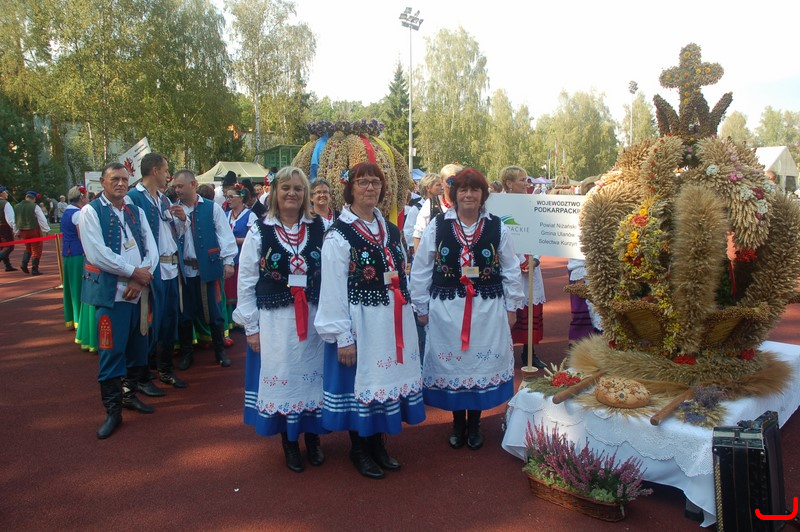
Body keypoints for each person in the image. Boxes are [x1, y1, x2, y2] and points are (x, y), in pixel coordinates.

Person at [315, 162, 425, 480]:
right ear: (350, 189)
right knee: (362, 384)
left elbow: (401, 271)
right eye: (362, 182)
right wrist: (342, 336)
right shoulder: (339, 234)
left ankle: (378, 444)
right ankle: (359, 449)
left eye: (375, 182)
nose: (370, 187)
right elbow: (332, 288)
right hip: (361, 321)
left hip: (391, 319)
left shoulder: (390, 230)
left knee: (384, 381)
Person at [410, 168, 524, 450]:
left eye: (475, 189)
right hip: (447, 309)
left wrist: (512, 306)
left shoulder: (498, 227)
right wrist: (420, 305)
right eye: (463, 189)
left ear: (483, 194)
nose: (469, 195)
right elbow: (422, 267)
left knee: (479, 363)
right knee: (454, 363)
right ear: (455, 194)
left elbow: (511, 268)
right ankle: (457, 422)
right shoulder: (438, 226)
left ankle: (474, 423)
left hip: (487, 308)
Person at [234, 166, 327, 473]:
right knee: (285, 378)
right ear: (275, 192)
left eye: (298, 189)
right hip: (275, 322)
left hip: (313, 319)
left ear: (305, 195)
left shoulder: (320, 226)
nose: (292, 193)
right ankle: (289, 442)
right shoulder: (259, 230)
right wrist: (251, 327)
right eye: (286, 188)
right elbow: (246, 280)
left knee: (313, 376)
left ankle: (313, 438)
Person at [79, 162, 159, 439]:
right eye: (115, 178)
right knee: (111, 352)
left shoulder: (135, 211)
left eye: (125, 179)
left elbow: (152, 249)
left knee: (138, 348)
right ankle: (112, 411)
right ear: (102, 181)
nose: (121, 183)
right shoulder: (90, 212)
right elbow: (97, 254)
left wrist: (140, 278)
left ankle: (129, 395)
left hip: (138, 291)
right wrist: (133, 272)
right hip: (112, 295)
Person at [127, 152, 188, 395]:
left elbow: (173, 233)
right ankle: (141, 376)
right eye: (165, 170)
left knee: (168, 321)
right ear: (154, 171)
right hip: (153, 270)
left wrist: (182, 221)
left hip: (172, 267)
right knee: (147, 324)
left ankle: (164, 369)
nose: (167, 175)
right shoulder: (133, 198)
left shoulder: (162, 199)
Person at [172, 169, 237, 370]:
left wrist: (228, 261)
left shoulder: (211, 208)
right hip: (184, 271)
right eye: (175, 187)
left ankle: (220, 351)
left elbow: (225, 235)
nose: (177, 190)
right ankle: (187, 354)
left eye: (180, 186)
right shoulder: (173, 210)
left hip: (208, 268)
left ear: (193, 185)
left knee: (214, 313)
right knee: (185, 315)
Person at [501, 166, 547, 369]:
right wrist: (518, 260)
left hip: (531, 266)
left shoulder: (533, 204)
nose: (526, 183)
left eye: (527, 179)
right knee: (508, 311)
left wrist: (535, 259)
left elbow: (540, 233)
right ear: (509, 183)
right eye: (522, 180)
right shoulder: (498, 205)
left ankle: (530, 353)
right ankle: (504, 354)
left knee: (530, 309)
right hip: (508, 267)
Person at [224, 183, 257, 326]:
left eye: (231, 197)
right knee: (227, 290)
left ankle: (242, 321)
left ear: (241, 198)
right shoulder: (225, 214)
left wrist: (234, 240)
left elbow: (253, 239)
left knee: (241, 289)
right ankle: (229, 321)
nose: (228, 200)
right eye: (227, 197)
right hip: (228, 259)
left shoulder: (250, 215)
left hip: (242, 258)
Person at [413, 164, 462, 251]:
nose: (455, 185)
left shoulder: (468, 204)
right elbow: (418, 235)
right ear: (442, 182)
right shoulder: (430, 204)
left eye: (459, 181)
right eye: (451, 181)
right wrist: (419, 257)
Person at [61, 185, 88, 331]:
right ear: (82, 198)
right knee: (78, 287)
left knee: (70, 287)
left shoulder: (67, 211)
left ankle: (72, 318)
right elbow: (81, 235)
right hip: (78, 254)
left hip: (68, 253)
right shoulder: (78, 213)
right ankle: (79, 320)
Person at [14, 190, 50, 275]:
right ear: (34, 199)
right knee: (36, 249)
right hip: (33, 230)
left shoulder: (16, 206)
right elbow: (41, 218)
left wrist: (16, 231)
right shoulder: (34, 206)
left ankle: (24, 263)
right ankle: (34, 269)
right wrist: (46, 229)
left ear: (26, 197)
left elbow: (15, 220)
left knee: (28, 248)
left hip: (22, 231)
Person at [404, 173, 441, 255]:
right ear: (428, 188)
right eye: (438, 185)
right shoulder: (416, 209)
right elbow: (409, 234)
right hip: (423, 253)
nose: (441, 188)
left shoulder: (442, 207)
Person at [0, 186, 18, 271]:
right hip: (4, 227)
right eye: (5, 192)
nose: (7, 194)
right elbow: (10, 219)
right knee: (9, 246)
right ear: (1, 193)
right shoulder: (5, 203)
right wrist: (15, 229)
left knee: (2, 246)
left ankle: (7, 265)